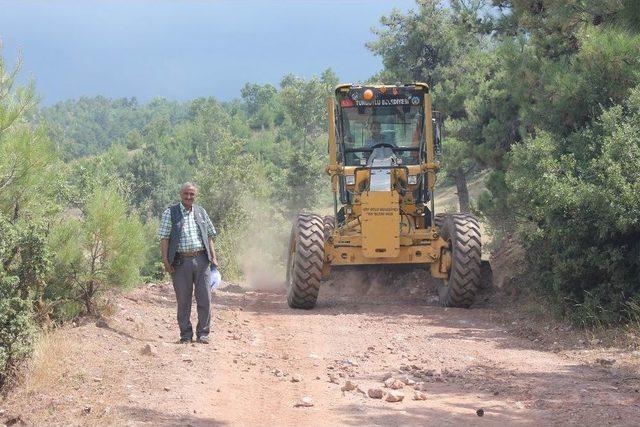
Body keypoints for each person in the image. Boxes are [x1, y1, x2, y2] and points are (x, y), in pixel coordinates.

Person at [158, 182, 218, 344]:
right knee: (183, 300)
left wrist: (214, 260)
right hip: (180, 262)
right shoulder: (170, 213)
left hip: (202, 260)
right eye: (186, 194)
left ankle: (203, 334)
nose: (189, 197)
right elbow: (164, 239)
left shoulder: (201, 212)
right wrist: (165, 261)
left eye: (192, 194)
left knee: (205, 299)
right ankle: (185, 335)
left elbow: (210, 235)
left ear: (195, 195)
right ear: (180, 194)